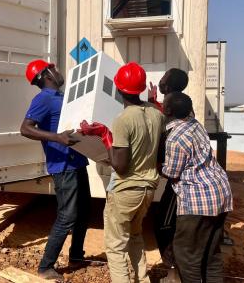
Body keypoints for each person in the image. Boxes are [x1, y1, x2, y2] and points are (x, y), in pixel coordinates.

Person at [89, 62, 165, 283]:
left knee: (115, 247)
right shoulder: (156, 114)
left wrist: (104, 136)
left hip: (126, 190)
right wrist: (153, 102)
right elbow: (158, 151)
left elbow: (120, 166)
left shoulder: (123, 120)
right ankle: (142, 279)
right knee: (135, 236)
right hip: (147, 190)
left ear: (118, 89)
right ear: (141, 88)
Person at [20, 59, 91, 281]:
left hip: (78, 162)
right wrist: (56, 138)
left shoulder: (62, 96)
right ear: (46, 74)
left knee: (84, 211)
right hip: (63, 167)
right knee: (67, 216)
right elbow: (25, 128)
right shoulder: (42, 99)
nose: (58, 71)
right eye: (54, 68)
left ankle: (76, 256)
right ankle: (45, 267)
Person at [162, 92, 233, 283]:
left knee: (187, 257)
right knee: (211, 255)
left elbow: (171, 173)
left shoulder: (175, 138)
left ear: (167, 110)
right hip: (220, 193)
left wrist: (158, 165)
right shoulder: (195, 124)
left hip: (197, 201)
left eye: (163, 103)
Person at [148, 68, 189, 267]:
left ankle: (172, 268)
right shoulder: (181, 105)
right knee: (168, 223)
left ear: (170, 86)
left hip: (179, 181)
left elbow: (164, 117)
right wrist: (153, 101)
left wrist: (156, 166)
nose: (160, 81)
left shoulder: (177, 114)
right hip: (177, 179)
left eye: (163, 79)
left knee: (163, 225)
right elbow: (165, 113)